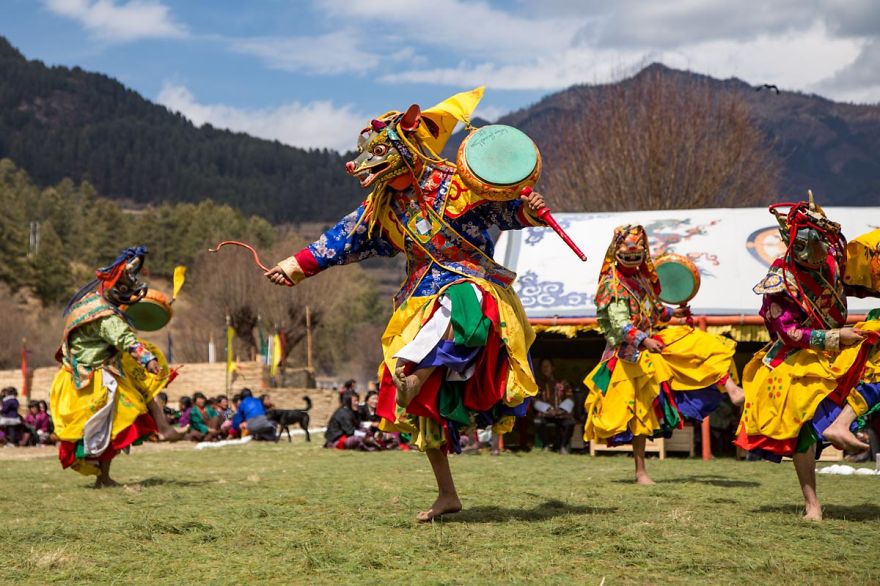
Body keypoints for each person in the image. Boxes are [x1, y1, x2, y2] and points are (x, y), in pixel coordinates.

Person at [265, 89, 544, 521]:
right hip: (418, 296)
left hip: (472, 280)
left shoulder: (457, 184)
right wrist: (294, 266)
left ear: (403, 151)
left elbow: (503, 209)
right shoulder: (381, 209)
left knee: (463, 305)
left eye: (378, 154)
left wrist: (529, 212)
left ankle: (423, 367)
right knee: (416, 401)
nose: (365, 165)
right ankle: (446, 491)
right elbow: (341, 240)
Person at [735, 198, 880, 520]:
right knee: (803, 428)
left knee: (875, 357)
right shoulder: (780, 280)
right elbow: (787, 332)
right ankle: (812, 504)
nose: (817, 257)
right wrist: (834, 337)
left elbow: (857, 285)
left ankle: (842, 425)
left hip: (839, 347)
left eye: (821, 247)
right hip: (796, 356)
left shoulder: (833, 259)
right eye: (806, 249)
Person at [583, 225, 745, 484]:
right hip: (627, 354)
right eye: (628, 256)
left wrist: (674, 315)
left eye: (638, 257)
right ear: (616, 253)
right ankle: (640, 471)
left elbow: (656, 310)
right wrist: (643, 339)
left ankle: (731, 387)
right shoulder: (610, 284)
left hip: (653, 341)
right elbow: (618, 322)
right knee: (640, 414)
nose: (633, 261)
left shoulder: (641, 278)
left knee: (701, 344)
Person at [49, 246, 184, 486]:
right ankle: (108, 473)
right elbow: (126, 340)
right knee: (120, 423)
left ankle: (161, 428)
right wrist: (148, 360)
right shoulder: (106, 317)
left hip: (75, 375)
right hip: (98, 378)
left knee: (126, 414)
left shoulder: (88, 302)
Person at [534, 360, 576, 454]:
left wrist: (561, 409)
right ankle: (546, 445)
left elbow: (570, 397)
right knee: (537, 421)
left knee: (570, 422)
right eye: (543, 367)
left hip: (561, 414)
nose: (545, 369)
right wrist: (548, 409)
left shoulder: (563, 383)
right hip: (545, 414)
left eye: (547, 366)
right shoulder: (538, 384)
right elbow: (535, 399)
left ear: (553, 368)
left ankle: (563, 447)